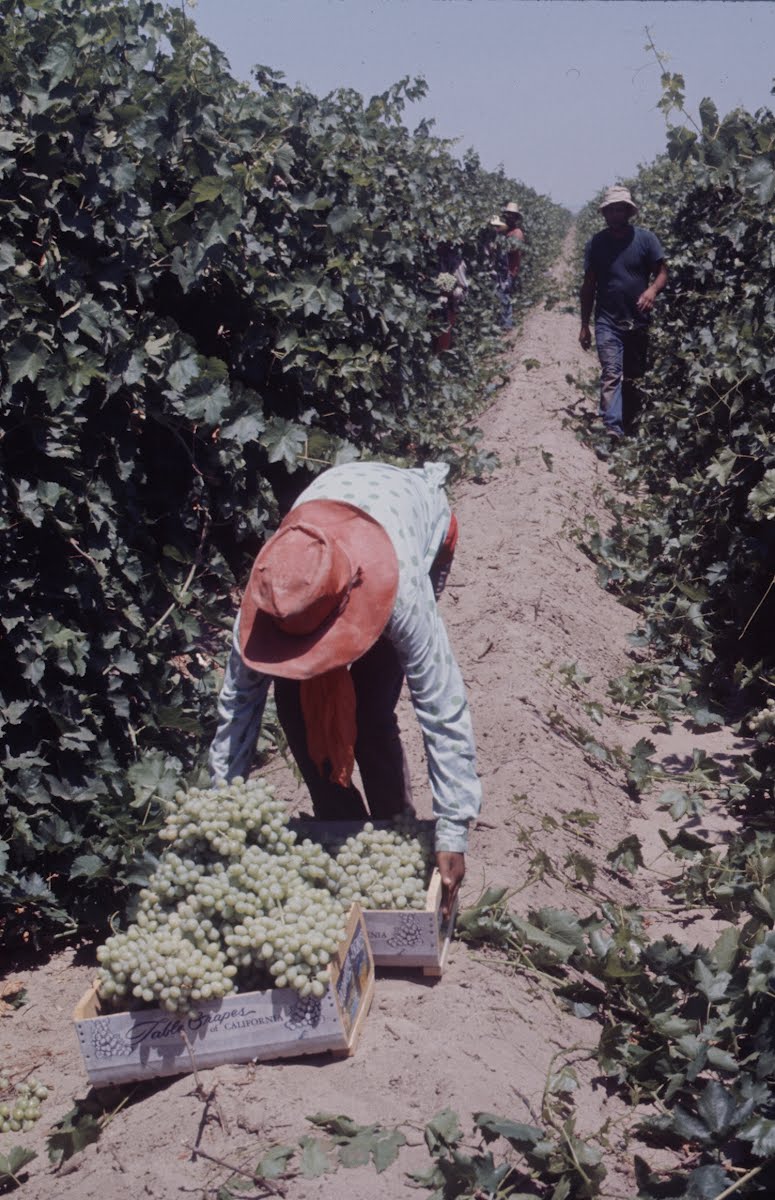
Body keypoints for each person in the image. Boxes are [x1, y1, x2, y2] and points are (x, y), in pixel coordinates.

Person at [208, 460, 482, 918]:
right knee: (297, 711)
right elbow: (238, 709)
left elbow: (442, 704)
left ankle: (398, 828)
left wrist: (454, 829)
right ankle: (346, 828)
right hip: (334, 537)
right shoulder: (271, 596)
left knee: (372, 712)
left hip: (411, 531)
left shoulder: (402, 592)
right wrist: (221, 818)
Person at [579, 185, 668, 439]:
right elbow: (588, 286)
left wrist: (651, 291)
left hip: (638, 321)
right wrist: (585, 325)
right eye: (611, 210)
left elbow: (663, 272)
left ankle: (629, 427)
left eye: (621, 209)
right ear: (605, 214)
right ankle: (612, 428)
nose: (616, 214)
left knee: (633, 377)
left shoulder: (646, 240)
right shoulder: (597, 244)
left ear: (628, 212)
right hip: (607, 321)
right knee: (611, 373)